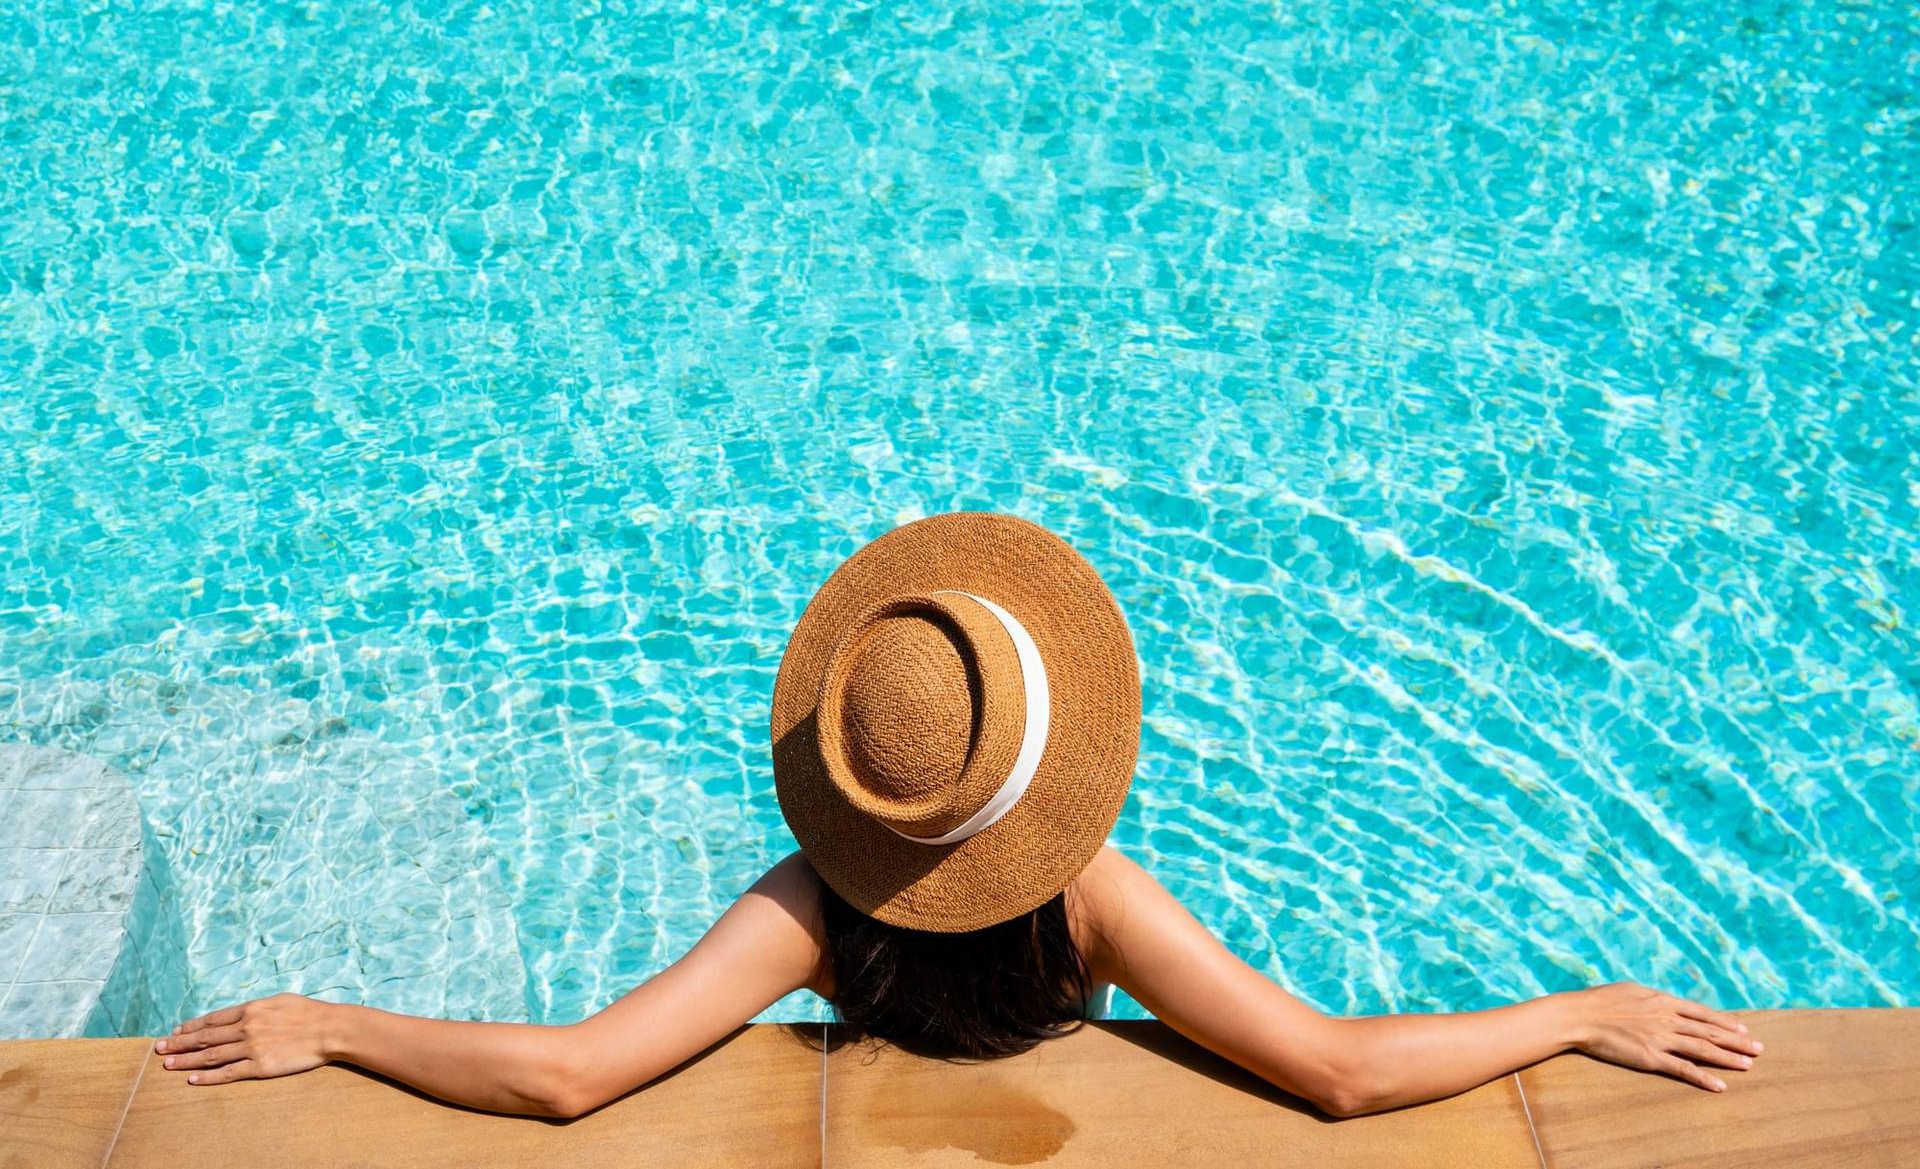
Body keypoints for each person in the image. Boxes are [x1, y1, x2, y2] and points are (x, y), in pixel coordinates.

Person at [151, 512, 1764, 1118]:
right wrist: (1580, 1011)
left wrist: (339, 1025)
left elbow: (570, 1076)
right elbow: (1338, 1071)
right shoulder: (1092, 906)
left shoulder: (809, 908)